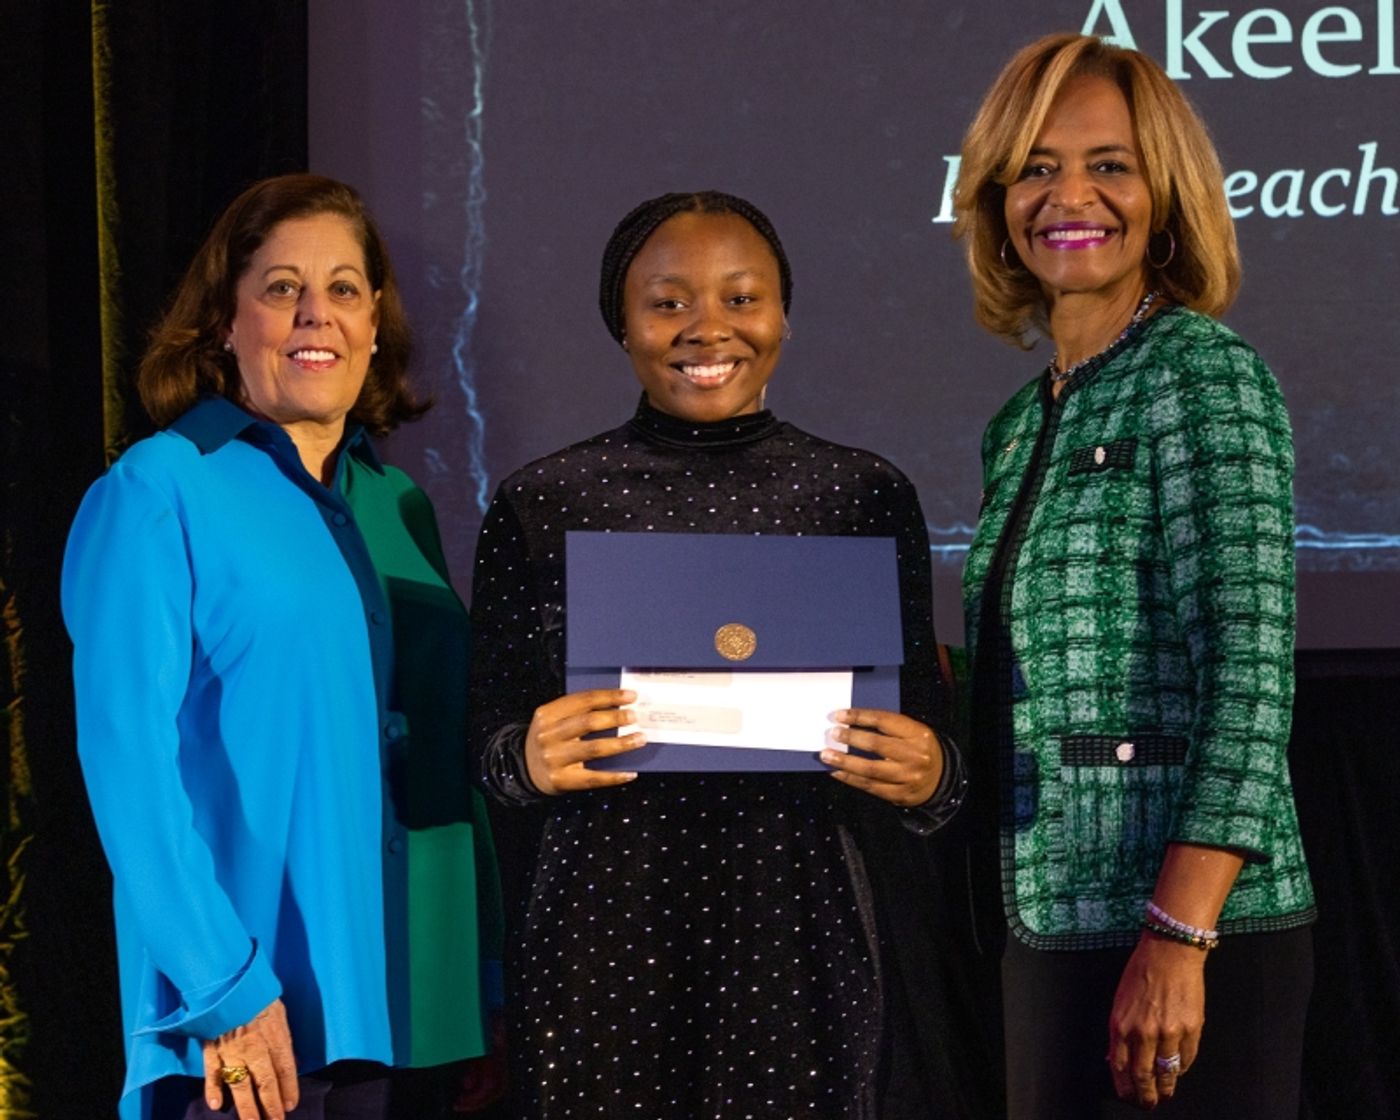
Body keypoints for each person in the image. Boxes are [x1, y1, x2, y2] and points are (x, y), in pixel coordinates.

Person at [468, 190, 966, 1119]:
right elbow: (488, 743)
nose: (708, 329)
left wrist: (931, 773)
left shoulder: (860, 496)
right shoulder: (545, 502)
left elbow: (932, 759)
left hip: (802, 927)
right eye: (669, 302)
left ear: (784, 313)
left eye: (742, 298)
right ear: (622, 321)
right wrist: (523, 758)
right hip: (603, 933)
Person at [62, 173, 504, 1120]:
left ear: (376, 325)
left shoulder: (397, 506)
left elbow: (440, 762)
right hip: (248, 1024)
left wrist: (479, 984)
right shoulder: (159, 490)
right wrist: (223, 988)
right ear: (224, 322)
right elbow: (124, 759)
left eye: (346, 289)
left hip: (419, 1011)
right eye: (280, 288)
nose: (318, 315)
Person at [949, 32, 1316, 1118]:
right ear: (995, 197)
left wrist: (1175, 937)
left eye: (1108, 164)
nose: (1070, 195)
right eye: (1035, 166)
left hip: (1189, 943)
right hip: (1043, 921)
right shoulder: (1019, 421)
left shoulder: (1204, 374)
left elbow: (1248, 681)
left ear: (1163, 191)